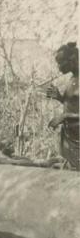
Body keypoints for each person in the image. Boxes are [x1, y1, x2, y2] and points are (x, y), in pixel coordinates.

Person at [45, 42, 79, 170]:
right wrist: (60, 98)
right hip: (71, 138)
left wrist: (64, 116)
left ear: (72, 60)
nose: (58, 67)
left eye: (60, 62)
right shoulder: (73, 79)